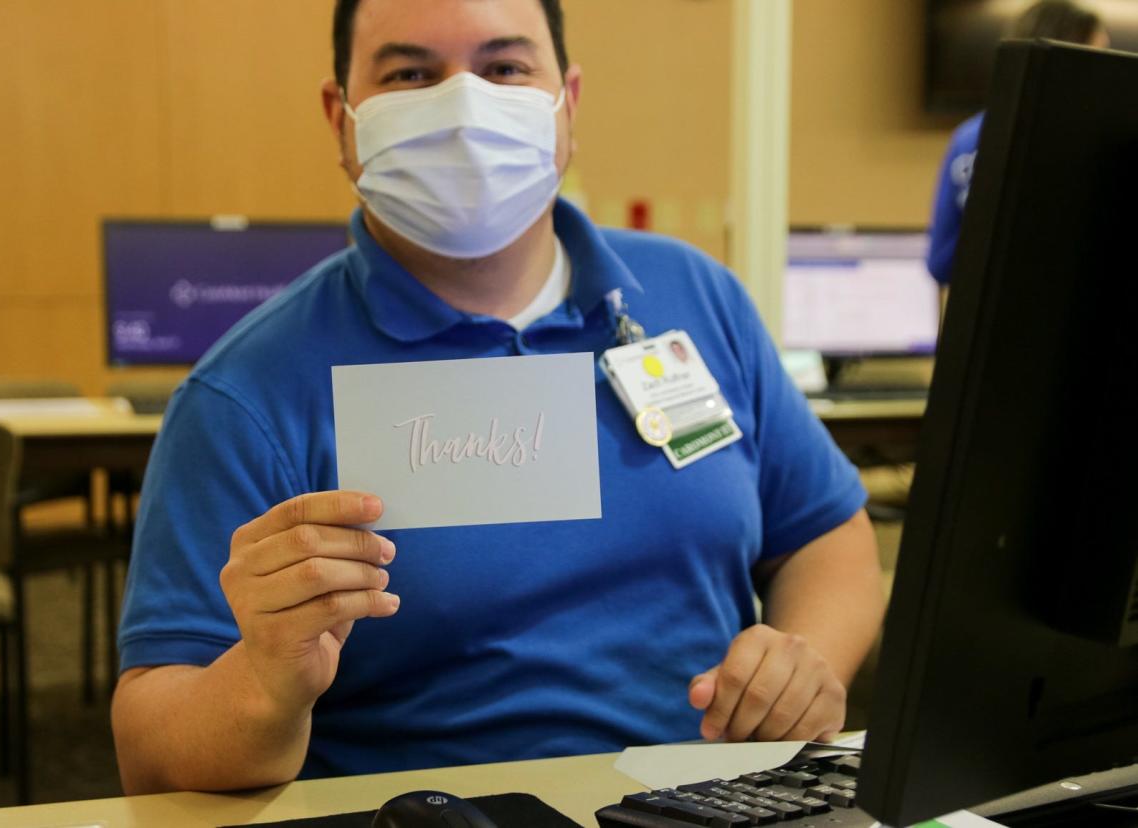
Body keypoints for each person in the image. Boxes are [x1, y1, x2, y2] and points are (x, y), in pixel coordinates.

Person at [111, 0, 885, 794]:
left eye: (506, 68)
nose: (464, 106)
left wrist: (805, 658)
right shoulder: (247, 391)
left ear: (568, 104)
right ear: (340, 119)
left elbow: (828, 536)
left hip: (720, 803)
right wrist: (263, 681)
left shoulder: (697, 296)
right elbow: (150, 749)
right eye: (410, 73)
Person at [927, 0, 1109, 285]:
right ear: (1070, 59)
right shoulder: (1091, 140)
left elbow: (941, 263)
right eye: (1099, 58)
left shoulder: (968, 136)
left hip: (983, 322)